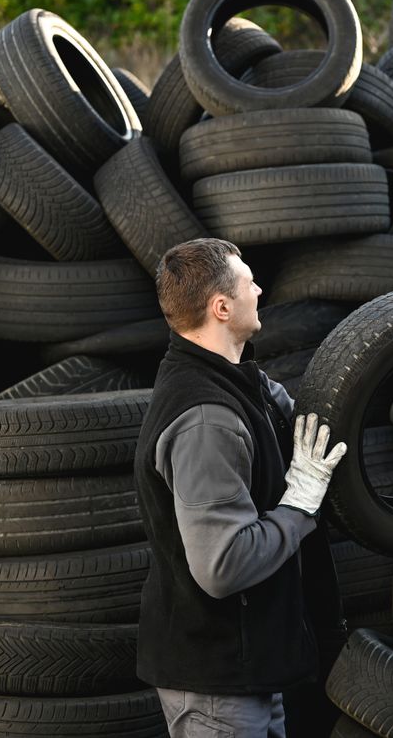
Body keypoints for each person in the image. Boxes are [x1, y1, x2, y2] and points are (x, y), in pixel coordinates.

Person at [134, 237, 348, 738]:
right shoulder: (207, 420)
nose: (260, 287)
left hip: (251, 672)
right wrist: (300, 504)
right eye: (248, 279)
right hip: (216, 688)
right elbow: (222, 566)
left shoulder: (238, 385)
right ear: (222, 307)